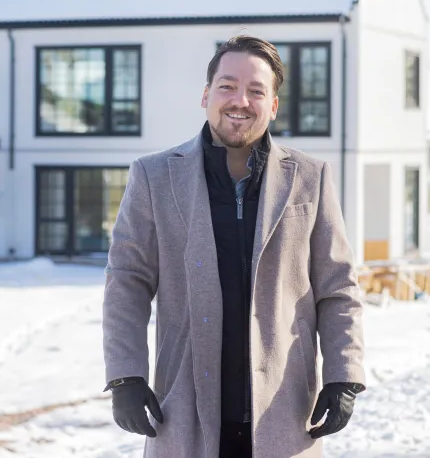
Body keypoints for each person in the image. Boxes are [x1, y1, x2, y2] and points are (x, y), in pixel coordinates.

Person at [102, 35, 366, 458]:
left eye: (256, 90)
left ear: (274, 104)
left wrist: (344, 375)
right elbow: (126, 284)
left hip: (283, 414)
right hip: (184, 415)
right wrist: (125, 377)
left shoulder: (311, 178)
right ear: (206, 94)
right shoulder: (152, 176)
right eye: (227, 86)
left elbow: (338, 289)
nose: (239, 100)